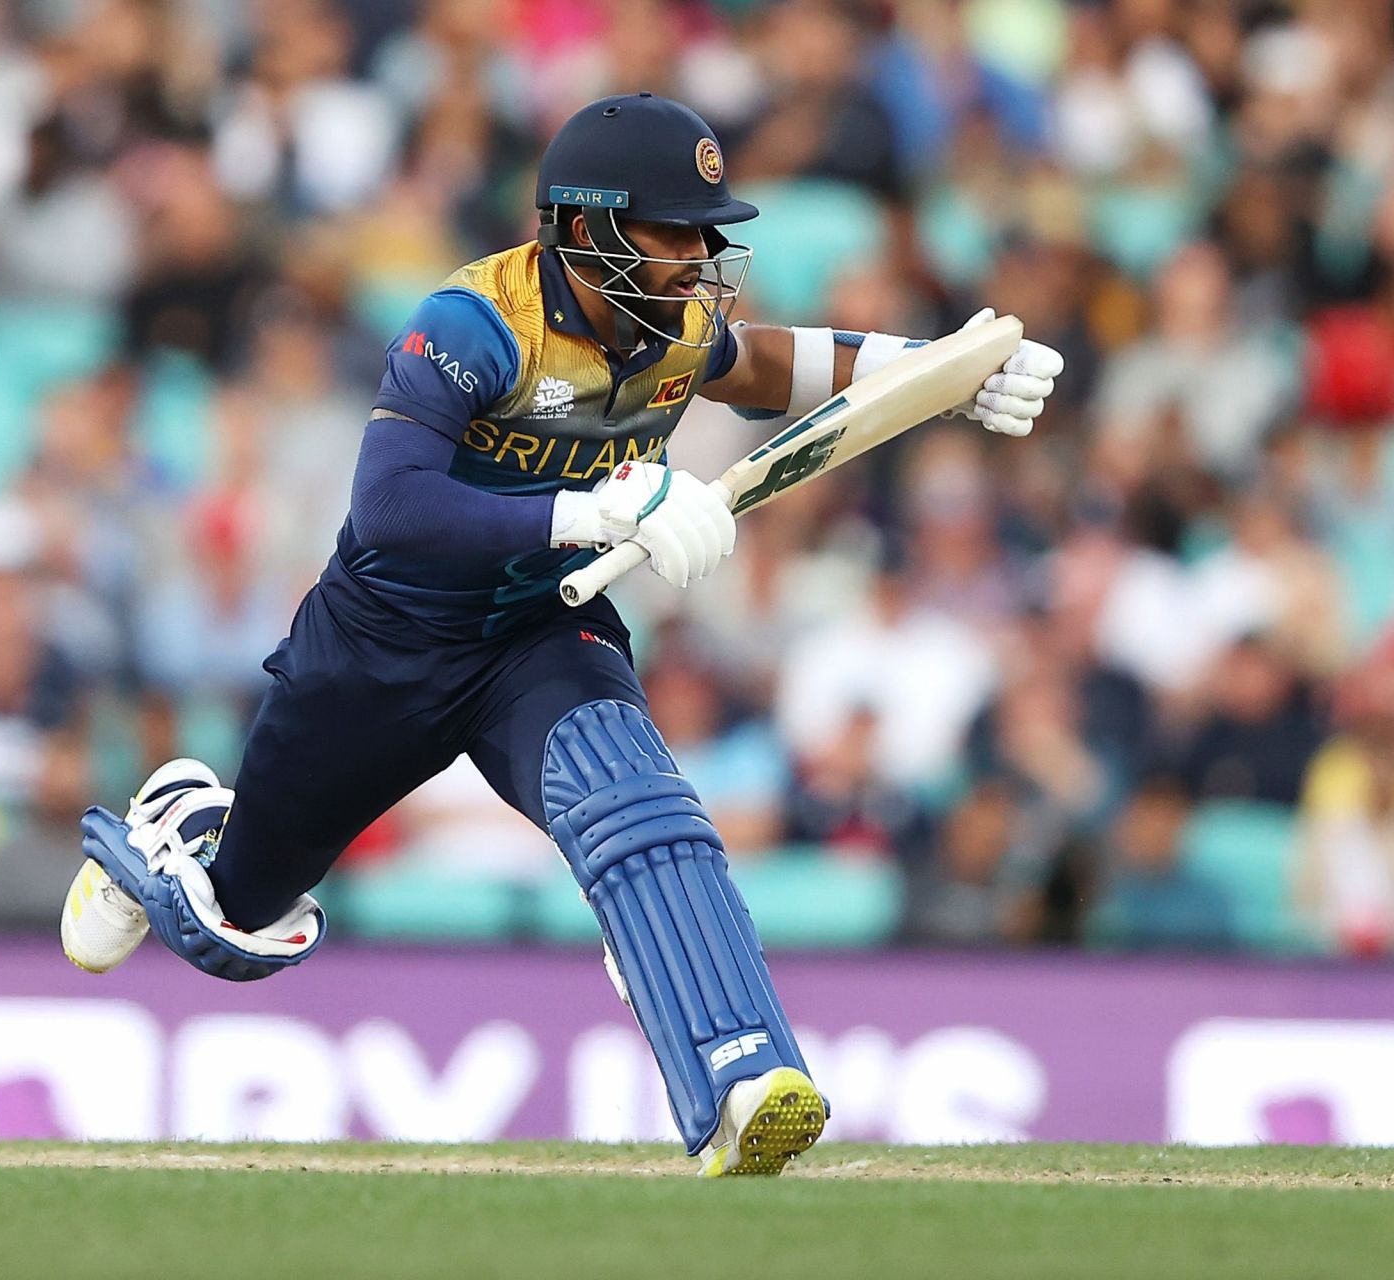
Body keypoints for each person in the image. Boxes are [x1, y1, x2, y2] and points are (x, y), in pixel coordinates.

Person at [58, 93, 1063, 1176]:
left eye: (706, 231)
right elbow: (393, 507)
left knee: (640, 809)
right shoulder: (472, 324)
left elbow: (765, 365)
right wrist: (593, 511)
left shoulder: (672, 327)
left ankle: (739, 1077)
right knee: (234, 928)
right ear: (585, 228)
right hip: (380, 648)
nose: (698, 256)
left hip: (540, 629)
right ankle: (177, 829)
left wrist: (944, 369)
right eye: (674, 229)